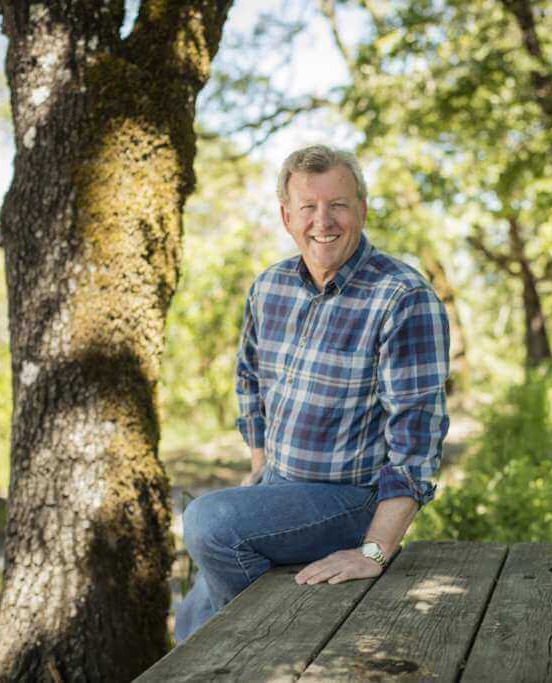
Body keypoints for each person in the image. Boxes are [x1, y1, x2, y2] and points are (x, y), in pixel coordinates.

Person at [174, 144, 450, 643]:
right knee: (190, 623)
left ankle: (282, 640)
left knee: (208, 522)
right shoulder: (270, 287)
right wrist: (259, 466)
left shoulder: (403, 298)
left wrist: (373, 552)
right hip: (278, 486)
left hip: (350, 499)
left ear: (362, 210)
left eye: (338, 205)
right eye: (308, 207)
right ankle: (261, 642)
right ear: (287, 216)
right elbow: (250, 382)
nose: (323, 221)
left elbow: (417, 444)